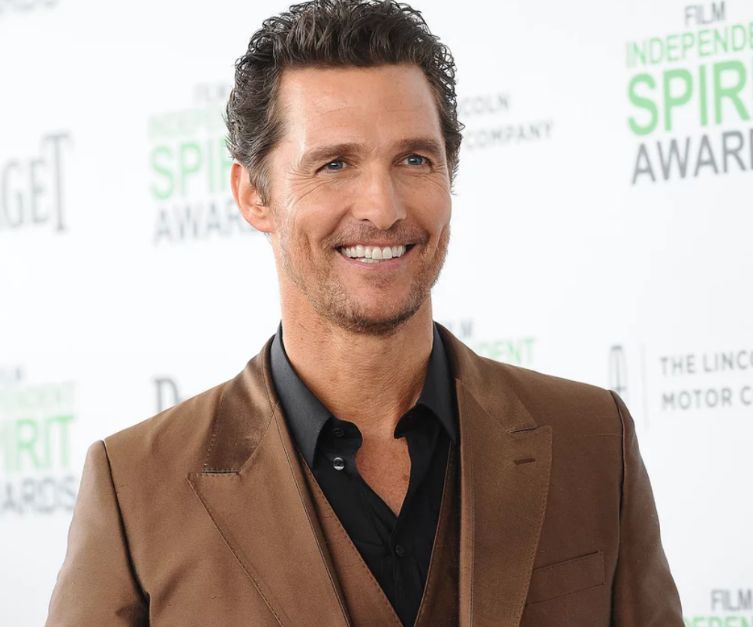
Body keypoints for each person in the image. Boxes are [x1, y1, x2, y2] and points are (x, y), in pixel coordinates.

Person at [47, 1, 683, 625]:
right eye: (334, 164)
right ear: (254, 195)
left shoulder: (591, 441)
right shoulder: (136, 488)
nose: (383, 208)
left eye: (414, 160)